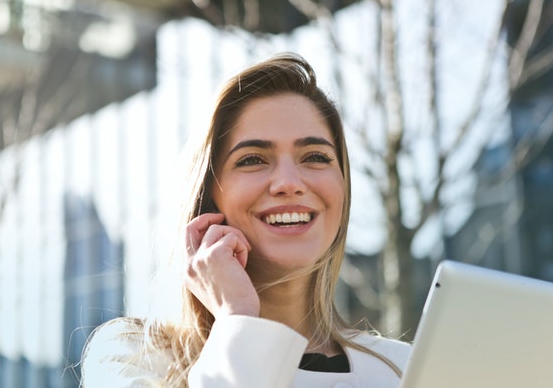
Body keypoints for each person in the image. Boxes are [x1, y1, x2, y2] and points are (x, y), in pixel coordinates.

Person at [81, 53, 411, 387]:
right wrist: (237, 319)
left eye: (315, 157)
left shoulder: (405, 368)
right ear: (209, 197)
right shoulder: (134, 358)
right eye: (253, 159)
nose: (289, 183)